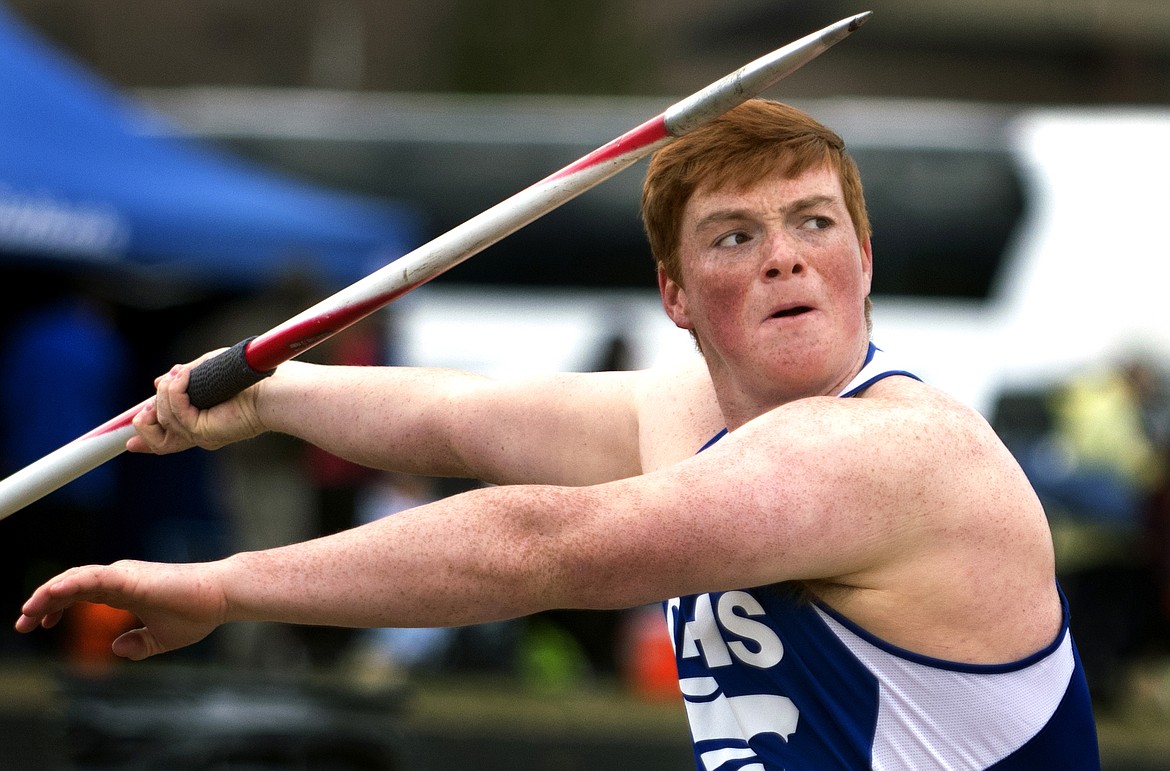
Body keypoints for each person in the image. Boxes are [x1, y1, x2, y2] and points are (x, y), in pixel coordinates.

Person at [15, 100, 1099, 769]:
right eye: (736, 234)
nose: (784, 255)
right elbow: (463, 417)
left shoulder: (898, 454)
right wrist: (269, 399)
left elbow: (542, 546)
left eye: (814, 222)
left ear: (865, 255)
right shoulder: (688, 411)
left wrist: (228, 585)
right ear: (675, 295)